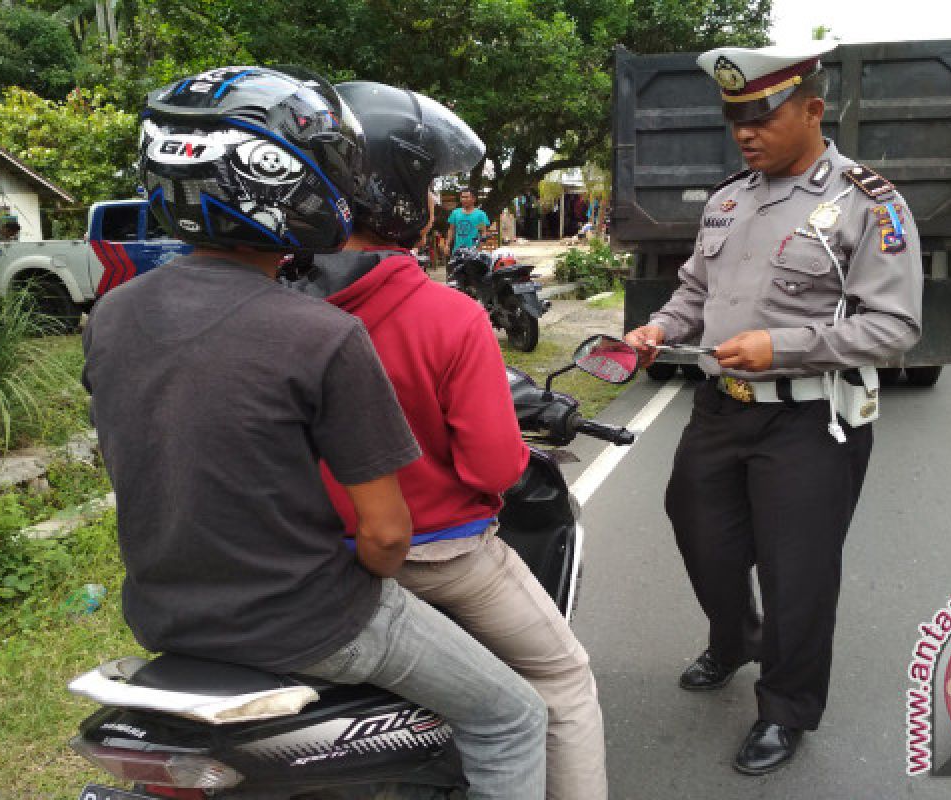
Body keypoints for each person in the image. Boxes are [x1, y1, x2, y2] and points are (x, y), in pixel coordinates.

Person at [81, 67, 546, 800]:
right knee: (513, 716)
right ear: (287, 183)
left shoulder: (111, 316)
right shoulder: (322, 335)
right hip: (312, 620)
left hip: (164, 614)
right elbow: (387, 537)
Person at [289, 80, 607, 800]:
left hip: (316, 566)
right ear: (403, 194)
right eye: (428, 183)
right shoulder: (449, 315)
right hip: (441, 555)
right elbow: (494, 465)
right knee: (561, 678)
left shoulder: (279, 309)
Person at [624, 43, 922, 776]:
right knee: (701, 536)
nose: (746, 134)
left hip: (810, 421)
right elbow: (695, 291)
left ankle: (785, 708)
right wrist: (661, 326)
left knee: (799, 572)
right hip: (720, 410)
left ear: (812, 110)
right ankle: (736, 638)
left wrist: (783, 346)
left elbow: (896, 327)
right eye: (735, 121)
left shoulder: (869, 201)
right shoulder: (729, 198)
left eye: (762, 117)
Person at [447, 188, 491, 255]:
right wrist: (447, 245)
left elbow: (482, 232)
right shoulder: (455, 213)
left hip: (473, 251)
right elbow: (451, 230)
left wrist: (479, 248)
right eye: (462, 197)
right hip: (457, 251)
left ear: (473, 199)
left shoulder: (480, 215)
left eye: (466, 197)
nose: (464, 199)